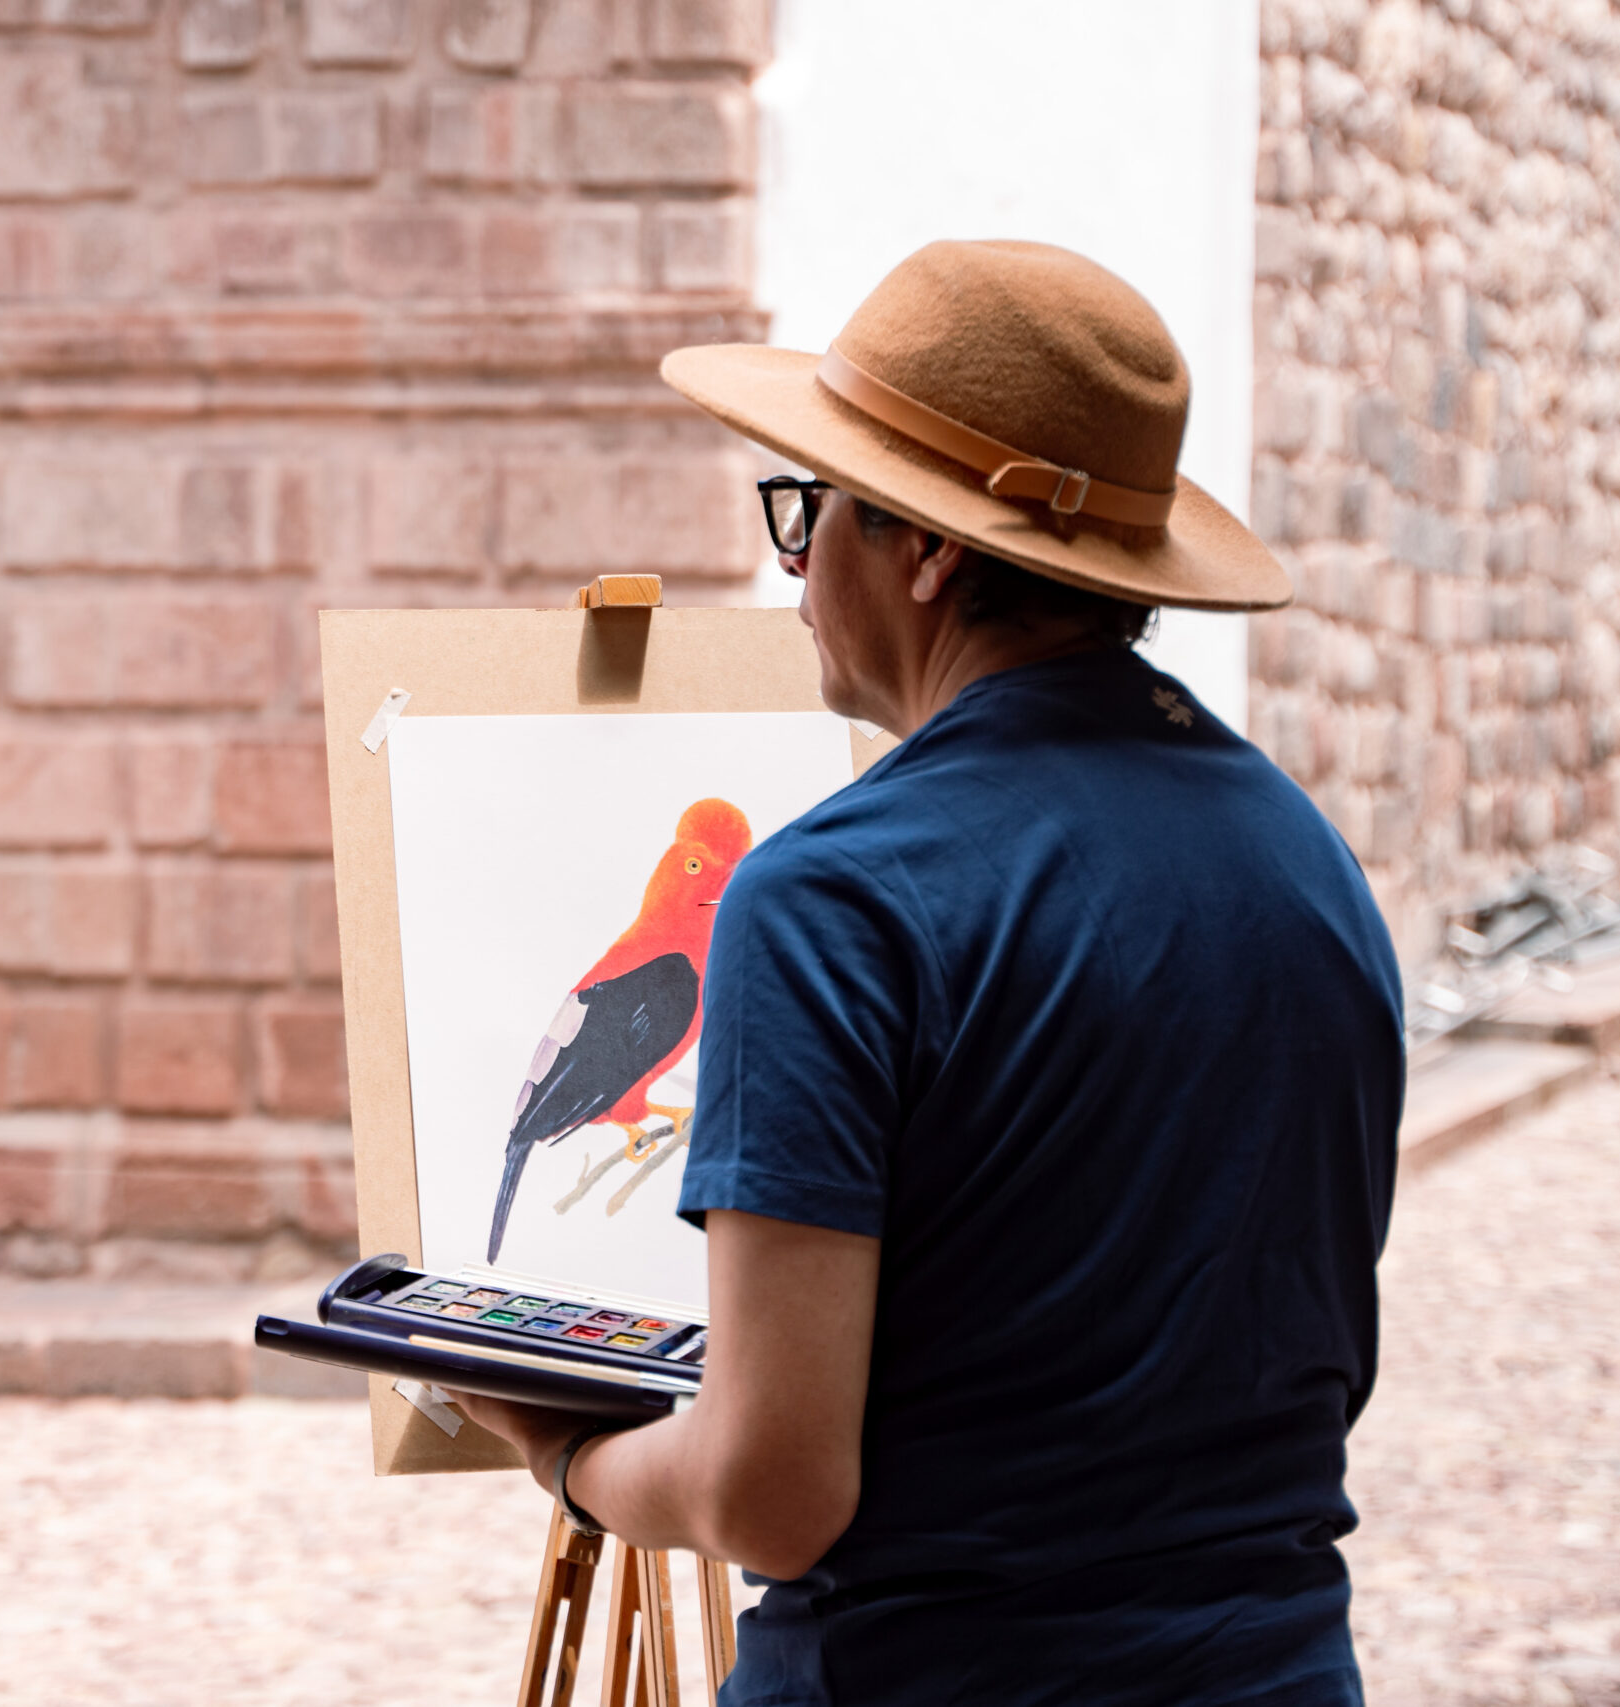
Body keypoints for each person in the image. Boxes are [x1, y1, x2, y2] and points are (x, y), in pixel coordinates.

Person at [448, 241, 1404, 1705]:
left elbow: (776, 1492)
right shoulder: (1307, 863)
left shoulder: (832, 899)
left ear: (929, 548)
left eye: (808, 510)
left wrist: (567, 1458)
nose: (797, 566)